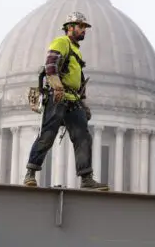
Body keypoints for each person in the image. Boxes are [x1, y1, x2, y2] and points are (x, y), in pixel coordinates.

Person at [23, 11, 108, 190]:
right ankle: (30, 173)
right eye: (81, 26)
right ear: (70, 28)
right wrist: (57, 87)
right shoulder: (61, 42)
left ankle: (86, 178)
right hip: (58, 98)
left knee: (83, 137)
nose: (84, 30)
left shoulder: (75, 50)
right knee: (47, 135)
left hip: (73, 100)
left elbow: (78, 81)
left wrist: (83, 104)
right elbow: (51, 65)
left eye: (85, 27)